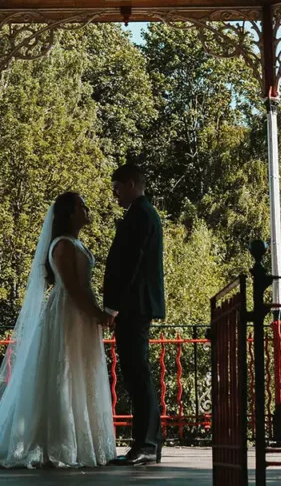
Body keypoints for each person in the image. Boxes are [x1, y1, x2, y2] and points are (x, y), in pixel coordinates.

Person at [0, 192, 116, 468]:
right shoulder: (62, 244)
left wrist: (96, 312)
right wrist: (98, 313)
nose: (87, 209)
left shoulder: (74, 242)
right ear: (69, 213)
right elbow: (73, 288)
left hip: (81, 315)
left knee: (79, 371)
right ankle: (59, 442)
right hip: (67, 314)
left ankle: (80, 441)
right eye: (81, 206)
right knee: (63, 371)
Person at [102, 162, 166, 466]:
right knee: (137, 373)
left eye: (116, 187)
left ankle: (147, 443)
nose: (114, 194)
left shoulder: (140, 214)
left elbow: (129, 263)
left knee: (137, 373)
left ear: (129, 183)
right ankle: (149, 442)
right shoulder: (143, 213)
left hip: (133, 305)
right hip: (137, 304)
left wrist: (112, 306)